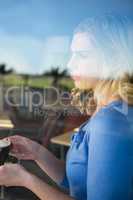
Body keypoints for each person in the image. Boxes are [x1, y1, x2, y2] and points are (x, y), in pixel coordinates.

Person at [0, 14, 133, 200]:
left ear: (114, 60)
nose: (70, 64)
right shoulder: (110, 113)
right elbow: (79, 181)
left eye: (82, 55)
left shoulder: (111, 122)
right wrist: (37, 152)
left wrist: (25, 180)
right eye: (71, 54)